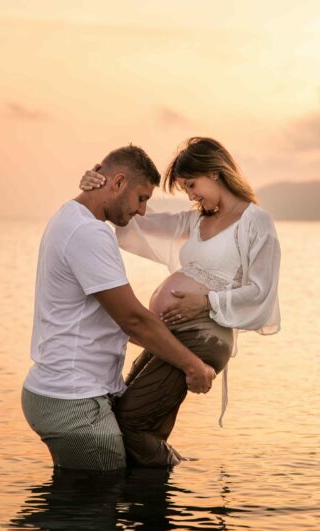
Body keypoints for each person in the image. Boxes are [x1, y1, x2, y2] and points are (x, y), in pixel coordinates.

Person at [79, 137, 281, 467]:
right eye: (186, 190)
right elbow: (134, 217)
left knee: (130, 422)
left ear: (215, 173)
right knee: (128, 415)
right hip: (172, 335)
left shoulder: (256, 223)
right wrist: (97, 188)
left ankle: (161, 483)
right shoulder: (195, 220)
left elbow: (261, 291)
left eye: (191, 185)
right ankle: (153, 498)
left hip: (205, 338)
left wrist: (206, 303)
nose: (190, 196)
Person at [22, 144, 216, 472]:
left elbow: (113, 321)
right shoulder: (87, 232)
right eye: (141, 198)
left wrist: (171, 346)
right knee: (97, 505)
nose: (142, 211)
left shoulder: (72, 217)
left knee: (92, 502)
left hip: (70, 395)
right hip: (72, 401)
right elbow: (132, 320)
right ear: (119, 182)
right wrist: (193, 365)